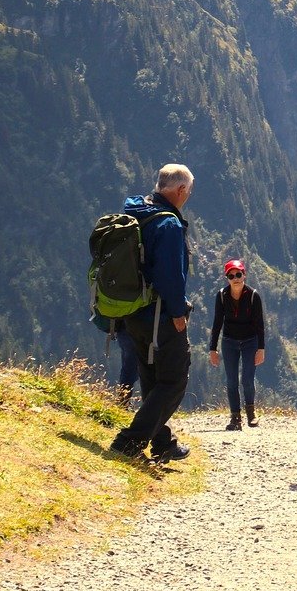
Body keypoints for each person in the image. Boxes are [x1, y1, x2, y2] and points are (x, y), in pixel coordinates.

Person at [109, 164, 195, 463]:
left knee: (151, 377)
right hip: (160, 314)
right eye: (188, 191)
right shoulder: (168, 224)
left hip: (132, 312)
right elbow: (171, 275)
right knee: (173, 380)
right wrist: (177, 312)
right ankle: (128, 442)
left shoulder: (136, 212)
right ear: (180, 190)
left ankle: (162, 442)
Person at [209, 259, 267, 431]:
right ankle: (235, 418)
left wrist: (261, 349)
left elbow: (260, 325)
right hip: (229, 342)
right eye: (231, 275)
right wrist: (212, 349)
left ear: (244, 275)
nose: (236, 278)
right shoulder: (221, 296)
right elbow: (217, 323)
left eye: (239, 274)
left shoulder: (253, 296)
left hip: (250, 341)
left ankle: (251, 414)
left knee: (247, 380)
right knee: (231, 381)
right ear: (227, 277)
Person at [115, 326, 139, 405]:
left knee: (128, 367)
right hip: (140, 327)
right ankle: (124, 402)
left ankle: (123, 401)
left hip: (123, 327)